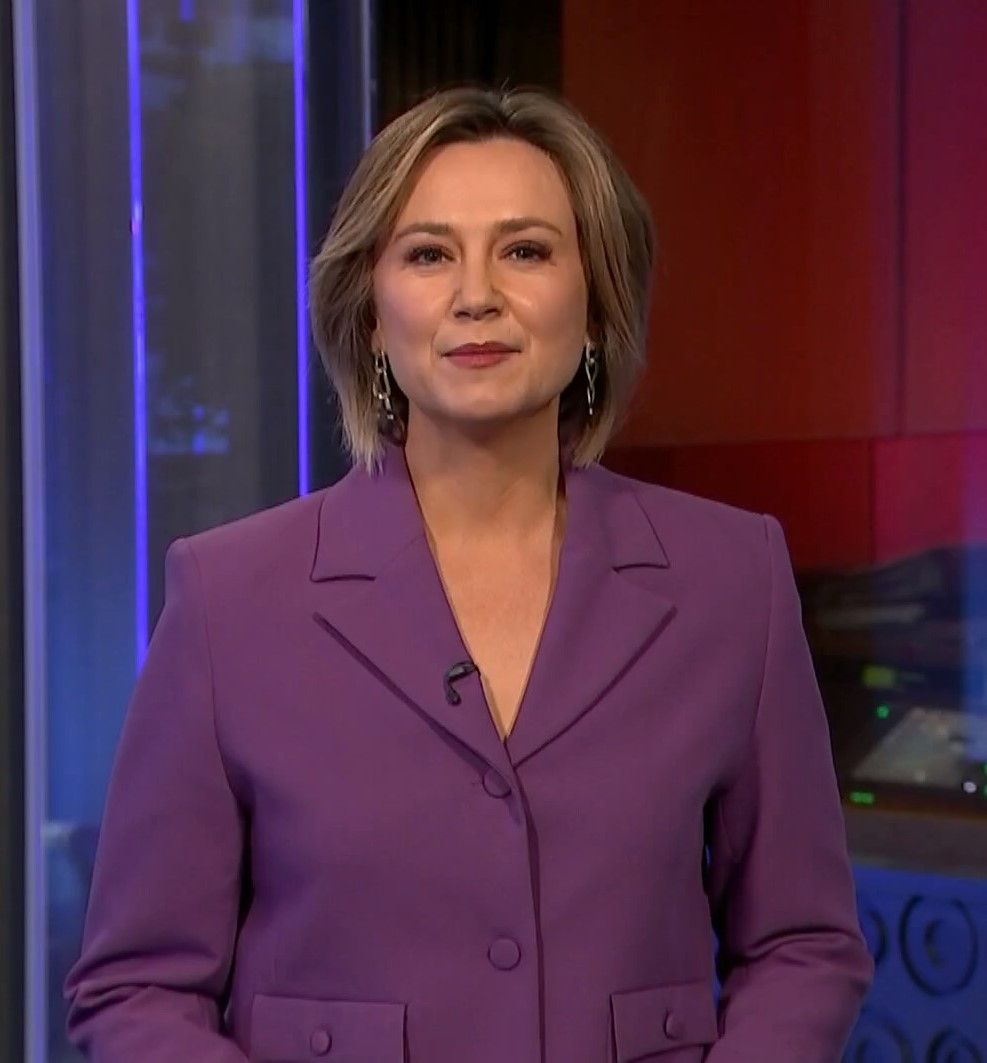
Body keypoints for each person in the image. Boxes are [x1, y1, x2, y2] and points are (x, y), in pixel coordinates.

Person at [63, 83, 874, 1061]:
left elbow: (801, 944)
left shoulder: (730, 579)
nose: (476, 294)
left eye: (525, 250)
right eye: (428, 254)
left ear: (596, 305)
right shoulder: (228, 599)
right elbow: (137, 987)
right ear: (371, 313)